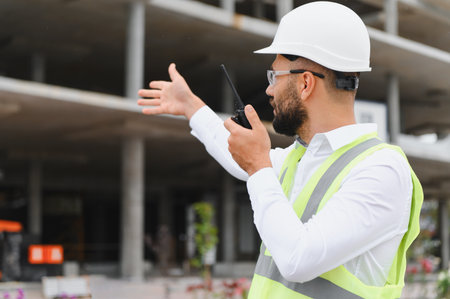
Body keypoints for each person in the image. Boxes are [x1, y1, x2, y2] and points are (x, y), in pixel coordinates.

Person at [137, 2, 423, 298]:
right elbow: (237, 154)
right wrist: (190, 106)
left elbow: (298, 259)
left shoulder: (381, 170)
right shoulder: (302, 158)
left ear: (305, 83)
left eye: (274, 77)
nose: (269, 90)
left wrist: (259, 166)